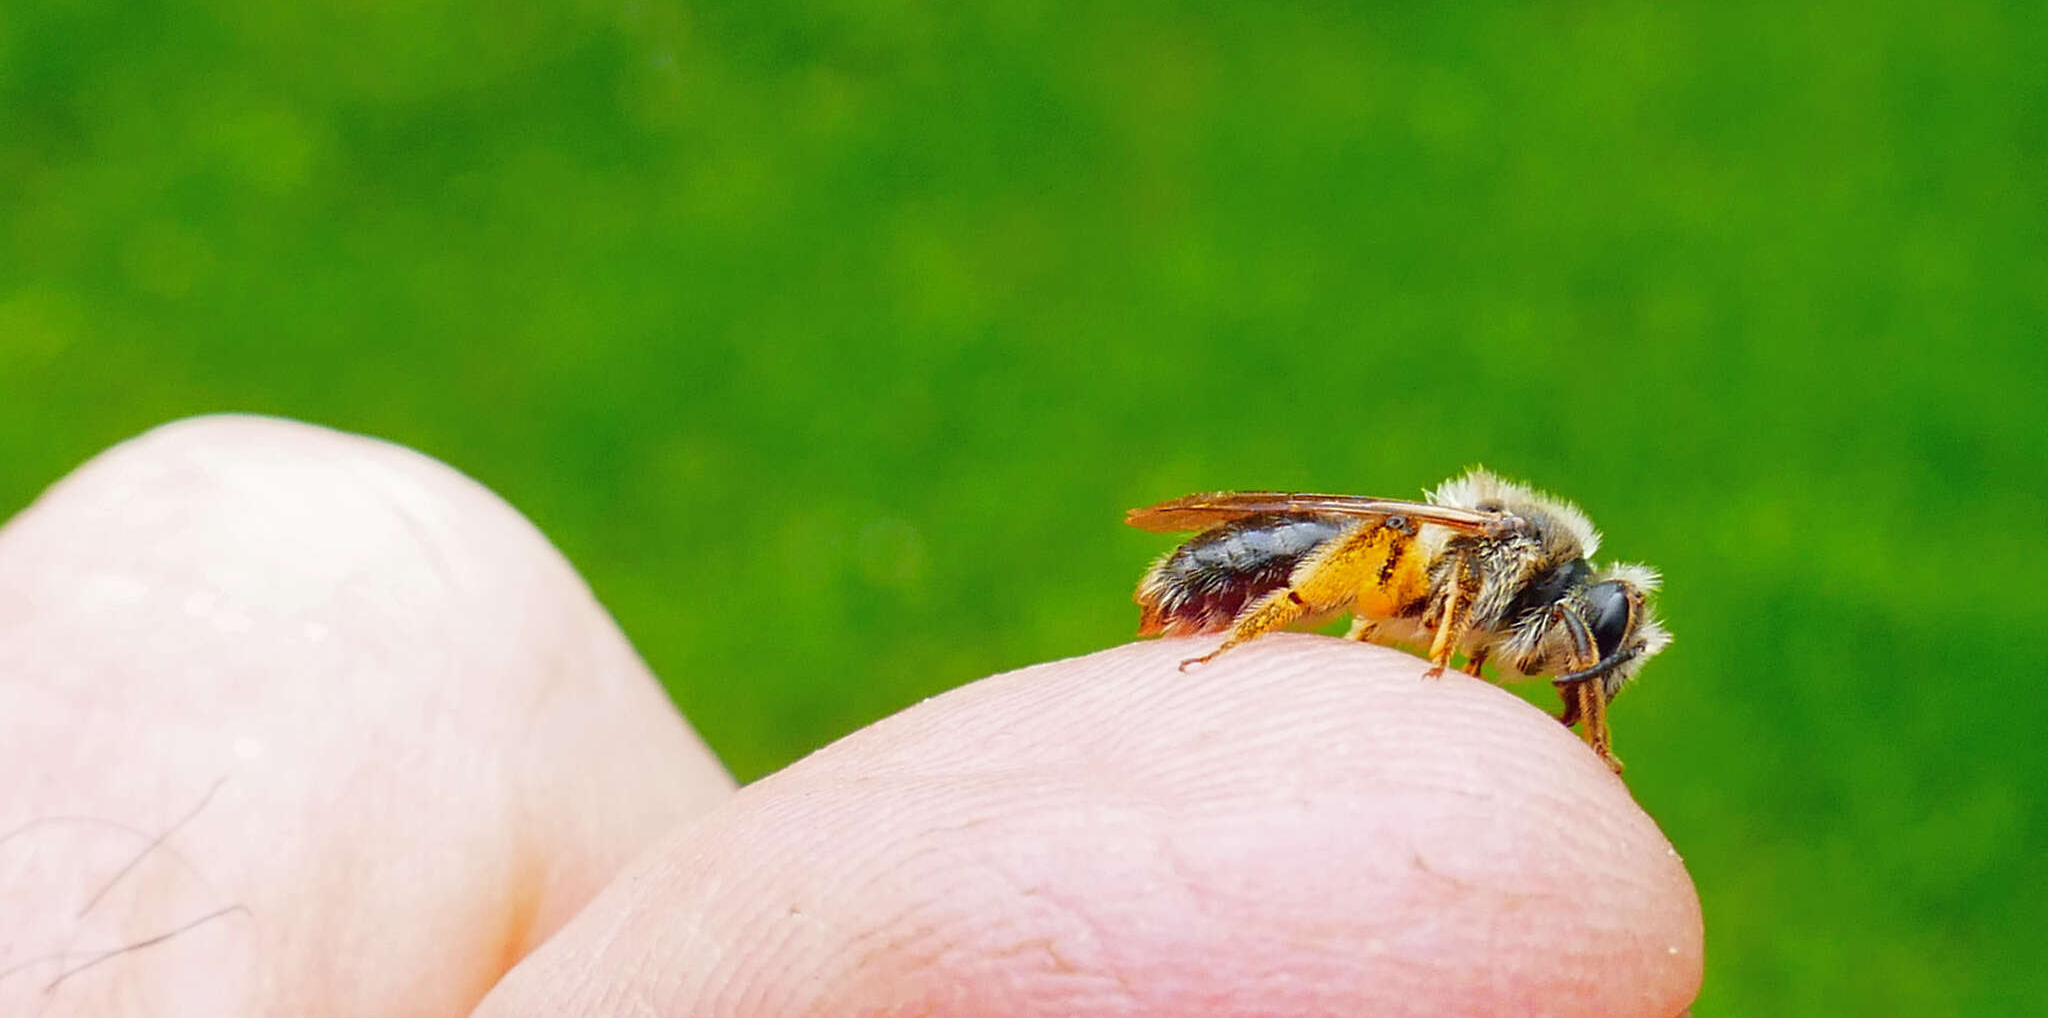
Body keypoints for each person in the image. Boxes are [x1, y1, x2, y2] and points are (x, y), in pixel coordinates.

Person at [0, 416, 1701, 1015]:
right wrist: (1313, 627)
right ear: (1558, 589)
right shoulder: (1466, 571)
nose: (1586, 660)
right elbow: (1386, 571)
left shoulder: (1516, 624)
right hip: (1295, 581)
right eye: (1591, 644)